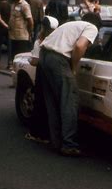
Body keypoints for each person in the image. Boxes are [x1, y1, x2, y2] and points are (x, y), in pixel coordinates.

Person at [39, 12, 101, 156]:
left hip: (44, 56)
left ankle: (56, 142)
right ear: (97, 25)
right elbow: (80, 47)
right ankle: (69, 144)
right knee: (69, 101)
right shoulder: (92, 27)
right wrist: (73, 67)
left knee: (53, 102)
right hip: (58, 60)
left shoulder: (71, 24)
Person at [24, 15, 59, 143]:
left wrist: (29, 59)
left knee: (40, 103)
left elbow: (34, 62)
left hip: (42, 74)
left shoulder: (39, 41)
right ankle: (52, 134)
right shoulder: (59, 40)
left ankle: (38, 134)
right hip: (54, 73)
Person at [8, 0, 33, 68]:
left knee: (22, 57)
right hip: (13, 35)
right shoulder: (13, 4)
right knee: (15, 56)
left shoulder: (25, 5)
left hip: (22, 36)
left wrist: (30, 33)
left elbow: (30, 21)